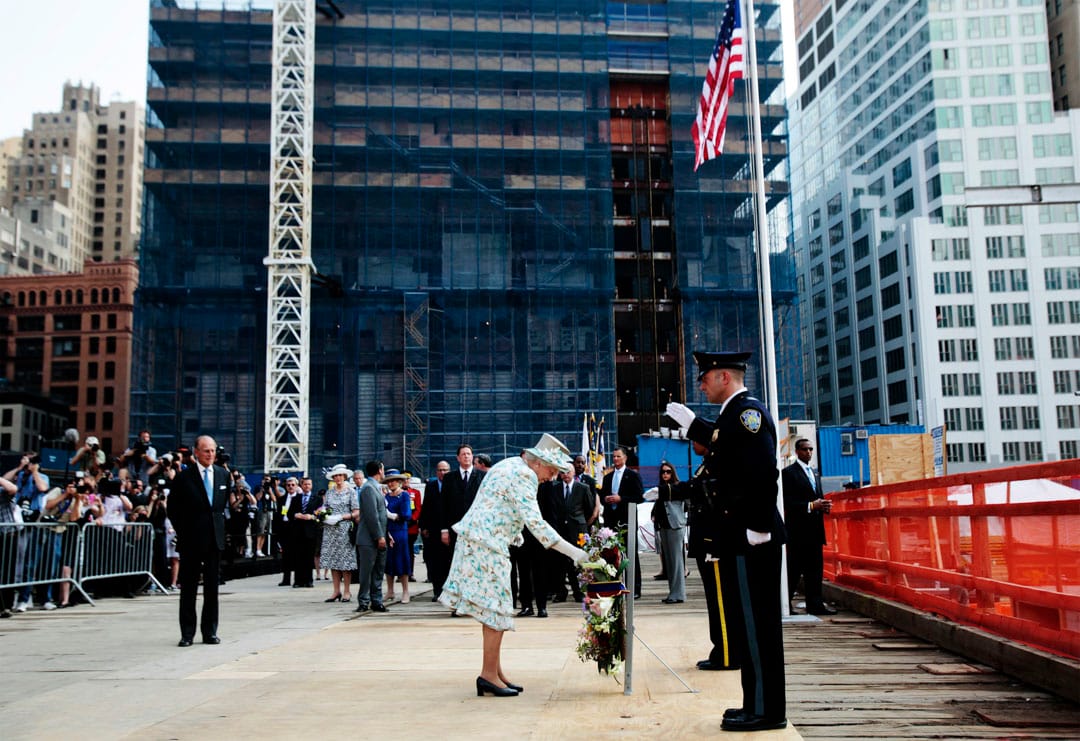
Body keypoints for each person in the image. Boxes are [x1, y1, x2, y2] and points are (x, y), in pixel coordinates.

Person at [666, 350, 787, 732]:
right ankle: (755, 702)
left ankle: (768, 711)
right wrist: (693, 425)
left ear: (723, 377)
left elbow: (764, 472)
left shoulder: (747, 414)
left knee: (759, 625)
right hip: (741, 534)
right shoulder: (732, 415)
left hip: (753, 535)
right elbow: (724, 445)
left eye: (705, 377)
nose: (701, 384)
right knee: (749, 625)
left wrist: (760, 525)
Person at [439, 434, 588, 698]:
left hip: (481, 542)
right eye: (552, 470)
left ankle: (494, 672)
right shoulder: (525, 475)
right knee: (496, 610)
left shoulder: (509, 464)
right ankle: (488, 675)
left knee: (495, 610)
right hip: (486, 545)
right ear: (539, 463)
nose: (551, 477)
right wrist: (577, 554)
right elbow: (537, 524)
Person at [166, 435, 229, 647]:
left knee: (212, 589)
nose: (210, 454)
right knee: (189, 589)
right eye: (206, 451)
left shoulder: (222, 475)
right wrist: (184, 531)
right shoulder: (184, 477)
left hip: (214, 540)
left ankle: (210, 632)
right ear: (196, 452)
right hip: (191, 540)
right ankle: (187, 634)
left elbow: (221, 508)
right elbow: (173, 508)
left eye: (212, 451)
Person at [782, 438, 835, 616]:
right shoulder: (788, 473)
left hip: (814, 530)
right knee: (793, 570)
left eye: (811, 449)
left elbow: (816, 497)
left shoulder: (814, 473)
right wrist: (811, 506)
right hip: (798, 531)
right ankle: (784, 603)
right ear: (797, 451)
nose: (809, 453)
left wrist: (823, 506)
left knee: (815, 570)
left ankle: (815, 604)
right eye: (805, 449)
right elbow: (786, 502)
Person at [600, 445, 644, 598]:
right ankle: (614, 586)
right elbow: (602, 496)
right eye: (614, 456)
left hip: (627, 520)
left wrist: (621, 499)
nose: (616, 459)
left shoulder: (632, 475)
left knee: (630, 555)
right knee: (611, 555)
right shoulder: (607, 477)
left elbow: (639, 497)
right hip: (611, 521)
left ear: (625, 458)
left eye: (618, 456)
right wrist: (606, 499)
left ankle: (635, 587)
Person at [544, 467, 594, 603]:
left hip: (577, 530)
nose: (565, 475)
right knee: (559, 562)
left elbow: (589, 508)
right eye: (563, 472)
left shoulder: (583, 488)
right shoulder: (555, 488)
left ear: (573, 473)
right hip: (560, 530)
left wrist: (581, 523)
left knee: (578, 563)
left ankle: (579, 591)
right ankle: (561, 592)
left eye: (568, 472)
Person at [320, 464, 359, 603]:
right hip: (330, 529)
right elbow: (325, 507)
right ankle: (336, 590)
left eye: (340, 475)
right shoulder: (330, 492)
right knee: (333, 560)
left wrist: (343, 516)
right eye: (335, 476)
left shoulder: (351, 491)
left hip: (344, 528)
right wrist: (323, 514)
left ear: (344, 476)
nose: (338, 478)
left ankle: (347, 591)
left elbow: (356, 511)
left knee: (345, 562)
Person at [354, 461, 389, 614]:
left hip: (379, 536)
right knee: (367, 571)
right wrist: (379, 536)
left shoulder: (376, 488)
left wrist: (386, 535)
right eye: (383, 469)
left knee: (378, 571)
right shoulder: (368, 488)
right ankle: (363, 600)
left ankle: (376, 600)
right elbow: (371, 516)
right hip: (369, 539)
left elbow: (381, 516)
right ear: (379, 470)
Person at [653, 461, 687, 604]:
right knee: (669, 563)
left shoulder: (678, 487)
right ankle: (673, 592)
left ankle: (678, 594)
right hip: (664, 527)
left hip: (675, 527)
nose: (665, 474)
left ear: (672, 473)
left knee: (677, 561)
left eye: (668, 471)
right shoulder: (661, 489)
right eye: (663, 472)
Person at [418, 460, 451, 599]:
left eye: (445, 470)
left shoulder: (453, 485)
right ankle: (437, 590)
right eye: (440, 470)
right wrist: (423, 526)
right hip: (434, 529)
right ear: (436, 472)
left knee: (448, 561)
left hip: (449, 530)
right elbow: (426, 507)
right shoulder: (431, 486)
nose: (442, 473)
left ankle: (449, 591)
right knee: (435, 561)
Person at [286, 477, 322, 588]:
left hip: (311, 531)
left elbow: (321, 514)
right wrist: (295, 515)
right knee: (298, 556)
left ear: (311, 485)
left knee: (309, 557)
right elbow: (289, 513)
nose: (307, 486)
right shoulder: (296, 498)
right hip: (298, 531)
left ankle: (308, 580)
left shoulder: (317, 499)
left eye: (309, 484)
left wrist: (311, 516)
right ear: (301, 485)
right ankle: (298, 581)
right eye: (305, 484)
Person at [383, 471, 413, 603]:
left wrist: (393, 515)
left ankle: (405, 591)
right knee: (388, 561)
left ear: (399, 481)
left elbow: (407, 515)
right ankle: (390, 590)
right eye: (389, 481)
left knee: (401, 560)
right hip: (387, 530)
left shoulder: (404, 495)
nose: (391, 483)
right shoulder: (386, 497)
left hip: (400, 531)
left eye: (393, 480)